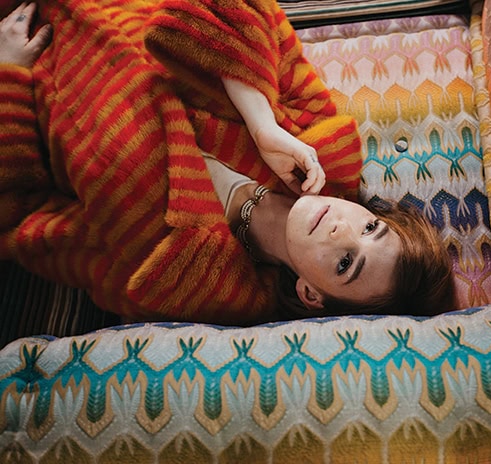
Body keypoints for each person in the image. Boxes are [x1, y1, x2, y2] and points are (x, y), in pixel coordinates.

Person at [0, 0, 454, 324]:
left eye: (345, 264)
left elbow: (19, 216)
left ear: (311, 295)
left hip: (23, 42)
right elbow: (250, 10)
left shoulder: (177, 279)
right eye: (371, 227)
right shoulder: (324, 149)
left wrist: (9, 74)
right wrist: (261, 123)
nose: (343, 230)